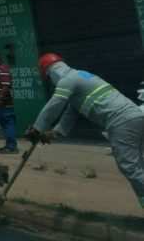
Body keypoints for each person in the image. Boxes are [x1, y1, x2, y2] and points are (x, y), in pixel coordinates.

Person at [28, 53, 144, 210]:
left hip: (121, 121)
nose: (51, 81)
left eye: (48, 77)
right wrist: (55, 132)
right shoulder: (79, 78)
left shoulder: (67, 80)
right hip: (135, 116)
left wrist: (37, 128)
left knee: (130, 167)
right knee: (139, 166)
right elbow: (70, 113)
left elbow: (54, 104)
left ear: (51, 72)